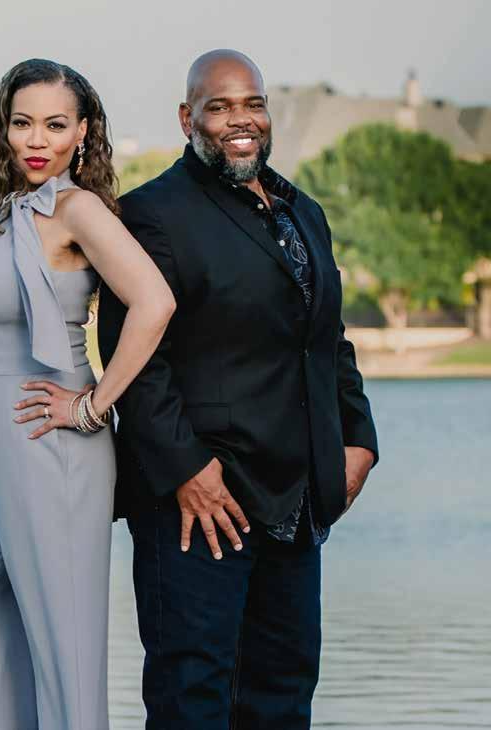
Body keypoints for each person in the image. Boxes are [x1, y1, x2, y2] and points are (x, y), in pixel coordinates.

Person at [98, 49, 379, 730]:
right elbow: (136, 362)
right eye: (219, 106)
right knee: (192, 699)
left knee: (283, 698)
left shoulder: (304, 212)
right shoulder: (150, 214)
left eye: (252, 104)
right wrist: (187, 471)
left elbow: (327, 340)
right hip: (199, 503)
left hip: (298, 501)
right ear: (187, 118)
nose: (239, 119)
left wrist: (359, 440)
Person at [0, 58, 175, 730]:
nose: (37, 140)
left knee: (65, 657)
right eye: (23, 123)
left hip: (51, 446)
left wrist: (92, 406)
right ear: (3, 129)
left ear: (82, 132)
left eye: (56, 125)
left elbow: (154, 302)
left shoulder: (76, 208)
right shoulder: (2, 213)